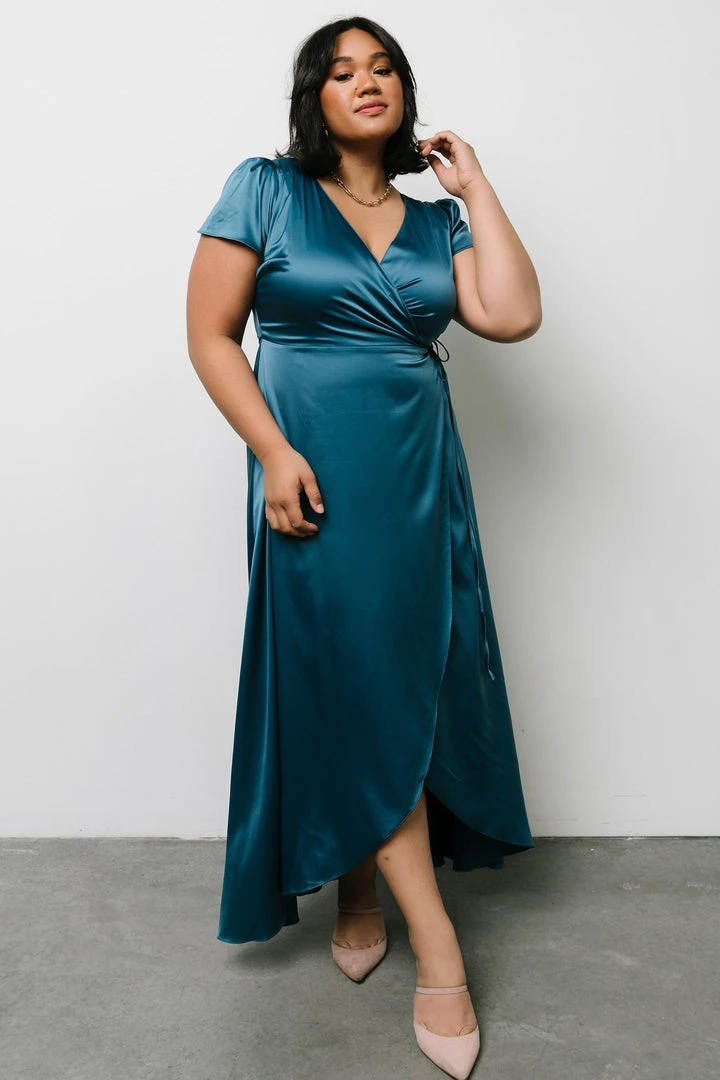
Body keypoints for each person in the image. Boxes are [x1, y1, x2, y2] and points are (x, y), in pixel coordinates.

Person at [186, 16, 541, 1079]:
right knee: (350, 680)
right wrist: (273, 453)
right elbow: (210, 334)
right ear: (316, 98)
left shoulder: (438, 222)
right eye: (342, 71)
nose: (366, 82)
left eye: (383, 67)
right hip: (311, 472)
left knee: (403, 679)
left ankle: (359, 884)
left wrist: (476, 187)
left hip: (417, 481)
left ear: (404, 93)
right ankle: (441, 950)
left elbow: (512, 316)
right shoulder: (264, 188)